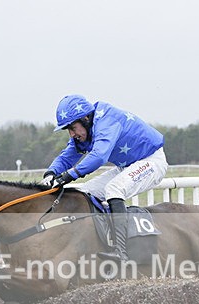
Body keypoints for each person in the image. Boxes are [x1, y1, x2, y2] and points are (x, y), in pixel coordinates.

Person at [42, 94, 168, 262]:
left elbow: (99, 156)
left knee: (114, 189)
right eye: (68, 130)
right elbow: (67, 156)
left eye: (72, 128)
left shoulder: (106, 120)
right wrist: (50, 174)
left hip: (151, 161)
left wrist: (67, 176)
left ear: (85, 118)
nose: (72, 134)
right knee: (83, 192)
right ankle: (100, 241)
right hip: (127, 165)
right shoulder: (85, 129)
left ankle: (121, 251)